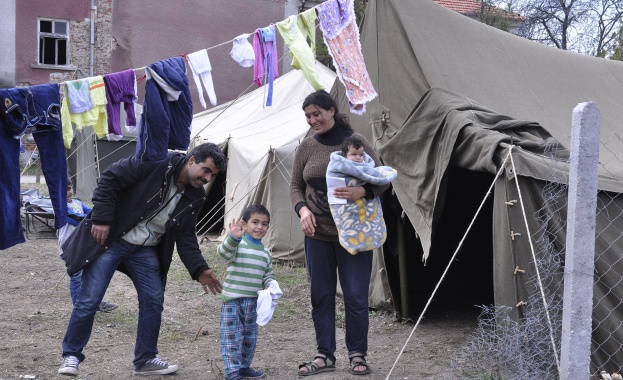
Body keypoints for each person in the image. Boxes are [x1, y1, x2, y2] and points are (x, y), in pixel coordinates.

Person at [57, 143, 227, 377]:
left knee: (153, 300)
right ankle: (72, 356)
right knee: (89, 299)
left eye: (213, 175)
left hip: (145, 249)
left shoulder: (195, 196)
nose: (207, 178)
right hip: (114, 239)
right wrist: (102, 218)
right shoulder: (155, 161)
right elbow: (110, 178)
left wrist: (200, 269)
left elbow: (186, 236)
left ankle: (145, 359)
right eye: (206, 170)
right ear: (191, 160)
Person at [290, 90, 389, 376]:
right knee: (320, 294)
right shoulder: (307, 147)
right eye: (308, 116)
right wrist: (302, 210)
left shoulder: (356, 143)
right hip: (317, 234)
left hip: (355, 233)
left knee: (356, 295)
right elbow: (296, 185)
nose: (312, 120)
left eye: (316, 114)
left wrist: (364, 190)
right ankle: (324, 355)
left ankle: (357, 355)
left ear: (331, 110)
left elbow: (382, 178)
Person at [217, 204, 275, 380]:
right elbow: (222, 253)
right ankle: (232, 372)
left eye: (264, 224)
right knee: (232, 338)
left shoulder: (265, 253)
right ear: (245, 224)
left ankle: (243, 367)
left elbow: (267, 274)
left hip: (253, 302)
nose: (259, 227)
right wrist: (232, 238)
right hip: (233, 300)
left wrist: (271, 284)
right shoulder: (238, 244)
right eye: (255, 222)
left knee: (249, 339)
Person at [326, 136, 397, 254]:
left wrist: (363, 190)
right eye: (354, 155)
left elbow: (379, 179)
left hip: (364, 205)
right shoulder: (336, 166)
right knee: (349, 225)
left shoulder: (367, 166)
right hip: (344, 208)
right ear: (345, 155)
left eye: (360, 155)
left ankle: (368, 240)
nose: (358, 158)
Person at [57, 177, 118, 312]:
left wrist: (105, 211)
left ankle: (94, 302)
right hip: (70, 248)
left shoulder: (78, 203)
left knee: (91, 275)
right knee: (77, 277)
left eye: (68, 189)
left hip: (84, 245)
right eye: (62, 190)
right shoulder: (60, 207)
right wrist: (98, 220)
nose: (67, 193)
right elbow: (78, 219)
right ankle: (79, 307)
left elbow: (92, 213)